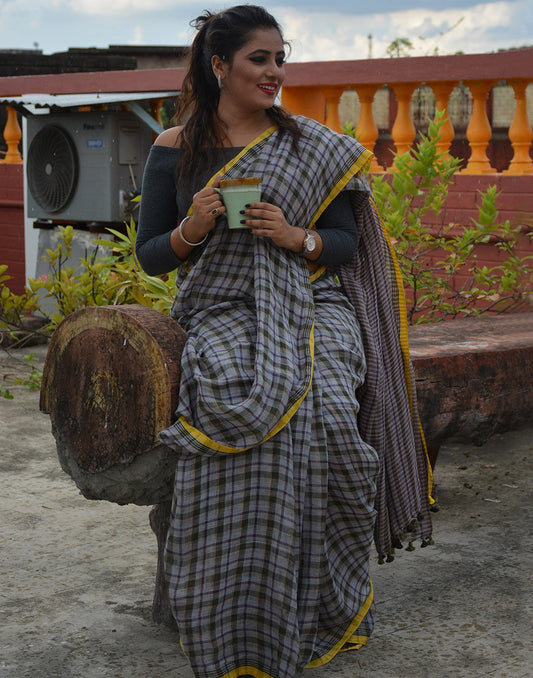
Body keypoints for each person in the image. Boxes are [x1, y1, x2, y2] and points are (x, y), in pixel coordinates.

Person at [136, 5, 433, 677]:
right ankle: (231, 609)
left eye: (280, 59)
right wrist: (193, 226)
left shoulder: (310, 145)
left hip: (310, 301)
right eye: (258, 60)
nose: (274, 72)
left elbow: (344, 245)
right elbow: (152, 256)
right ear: (220, 67)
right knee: (223, 387)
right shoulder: (173, 149)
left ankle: (313, 602)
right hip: (220, 304)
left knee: (322, 403)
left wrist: (294, 236)